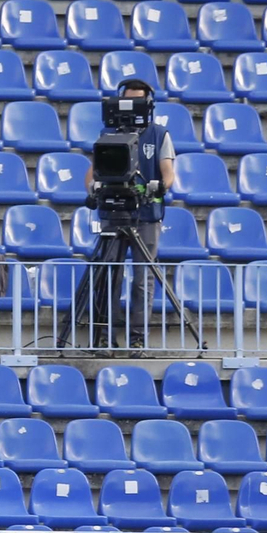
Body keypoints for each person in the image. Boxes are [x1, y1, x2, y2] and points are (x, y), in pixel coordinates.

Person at [84, 79, 175, 348]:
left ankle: (138, 341)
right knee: (109, 275)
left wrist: (155, 188)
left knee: (142, 280)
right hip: (112, 212)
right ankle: (104, 338)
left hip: (146, 214)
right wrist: (94, 187)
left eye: (138, 101)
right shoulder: (108, 134)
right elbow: (91, 174)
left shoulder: (159, 134)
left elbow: (168, 175)